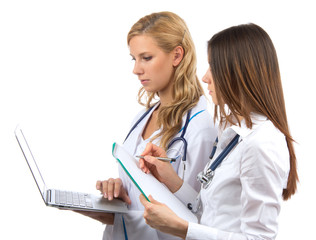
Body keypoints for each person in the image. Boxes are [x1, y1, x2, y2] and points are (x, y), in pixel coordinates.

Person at [138, 23, 299, 240]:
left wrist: (182, 228)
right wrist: (171, 180)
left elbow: (260, 238)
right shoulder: (233, 133)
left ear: (239, 72)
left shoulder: (261, 143)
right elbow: (211, 211)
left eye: (213, 66)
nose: (205, 77)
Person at [75, 11, 217, 240]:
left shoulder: (201, 129)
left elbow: (197, 221)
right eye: (134, 58)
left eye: (146, 58)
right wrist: (118, 197)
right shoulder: (141, 118)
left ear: (177, 56)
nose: (136, 69)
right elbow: (141, 202)